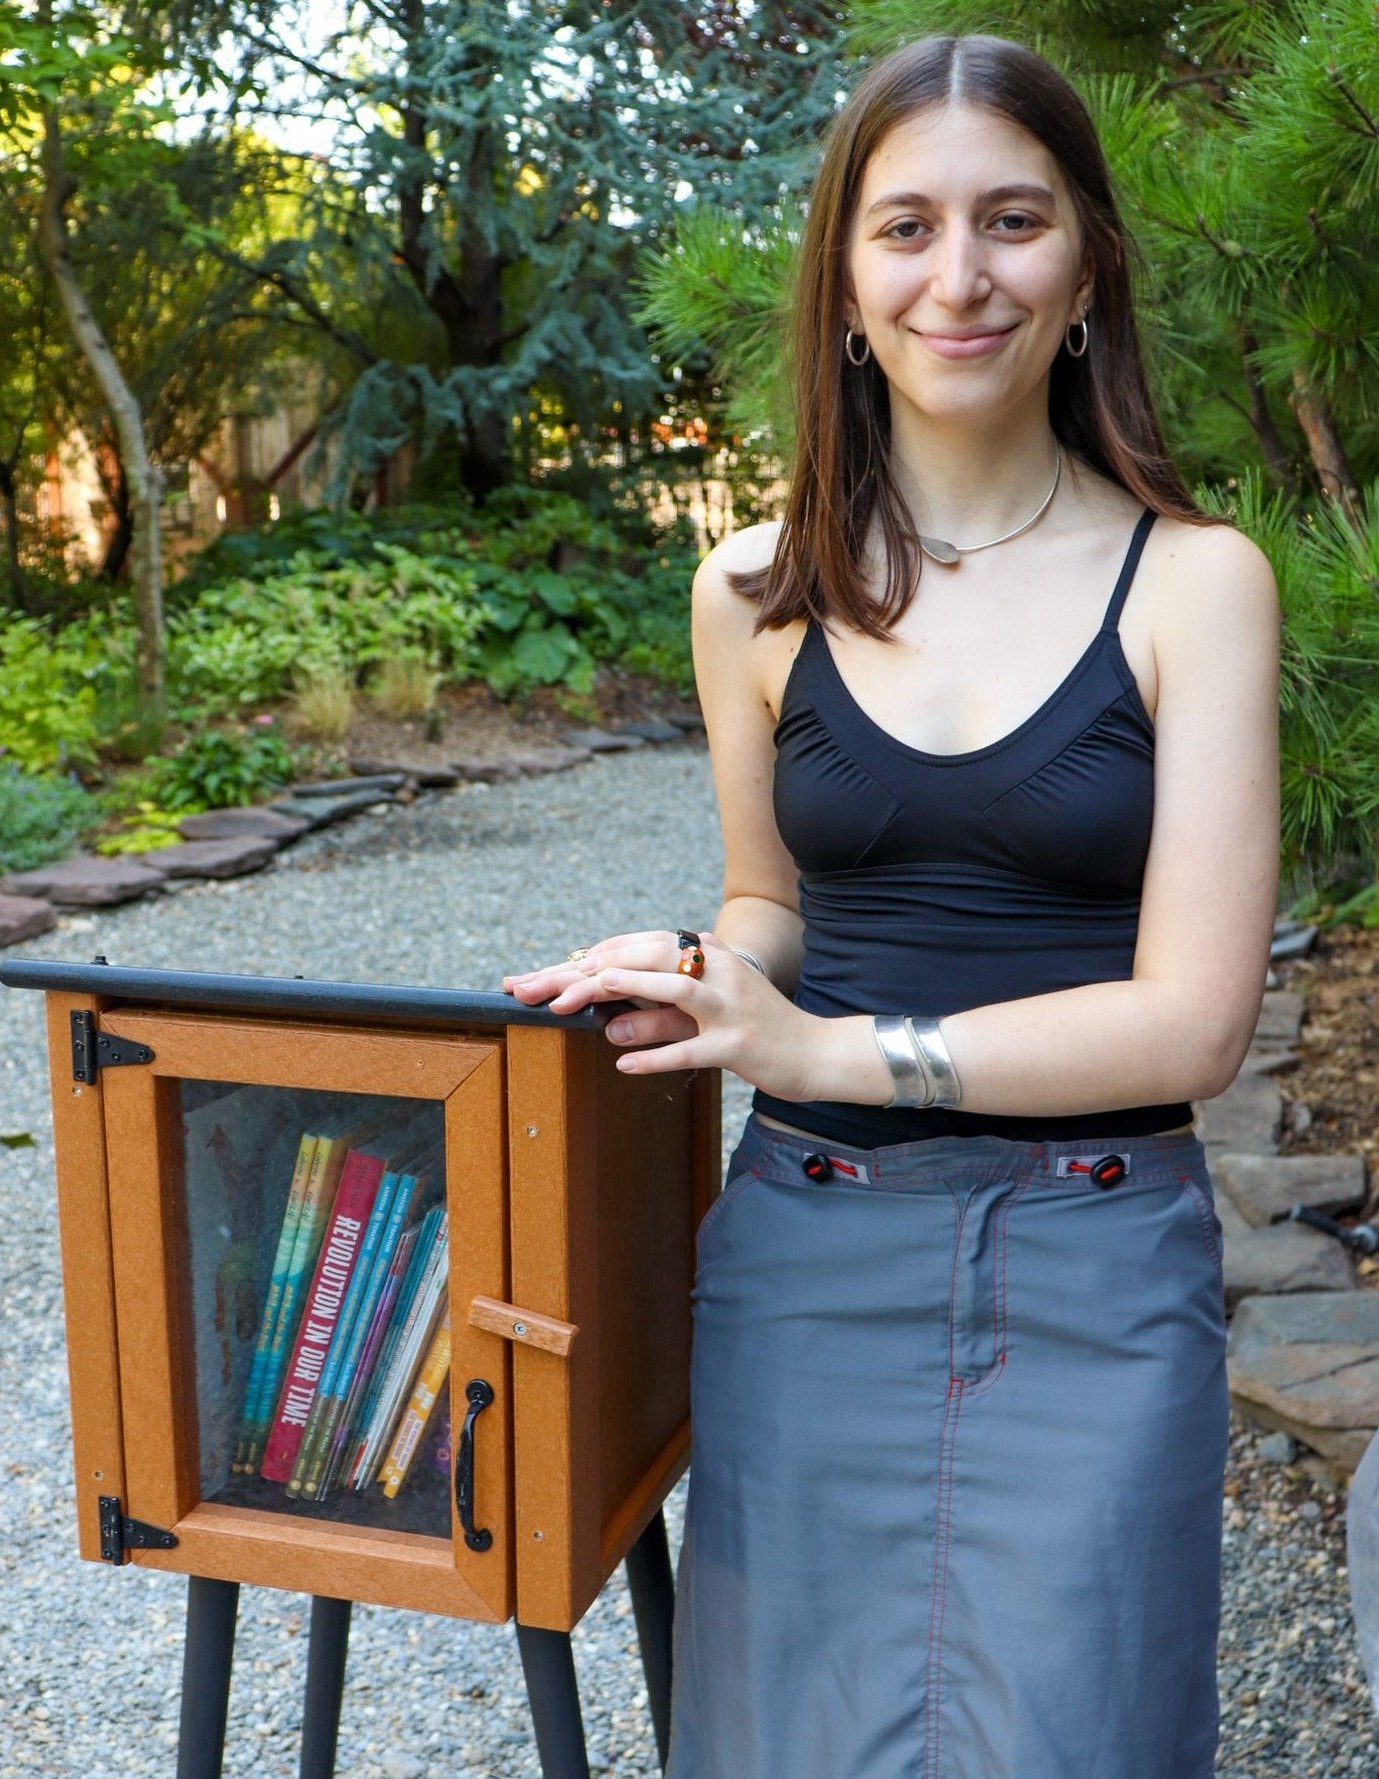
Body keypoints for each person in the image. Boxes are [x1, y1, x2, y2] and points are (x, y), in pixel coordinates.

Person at [502, 31, 1279, 1779]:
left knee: (1084, 1737)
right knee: (786, 1742)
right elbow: (768, 898)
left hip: (1098, 1259)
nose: (960, 275)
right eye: (906, 227)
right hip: (807, 1256)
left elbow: (1193, 1025)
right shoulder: (750, 589)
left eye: (1014, 220)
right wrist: (709, 973)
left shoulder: (1199, 585)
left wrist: (821, 1049)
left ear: (1087, 266)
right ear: (846, 287)